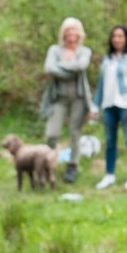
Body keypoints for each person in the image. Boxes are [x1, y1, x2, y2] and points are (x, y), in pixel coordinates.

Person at [41, 17, 97, 185]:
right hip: (59, 98)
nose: (71, 33)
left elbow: (81, 66)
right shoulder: (54, 50)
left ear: (80, 33)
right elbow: (49, 68)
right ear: (63, 33)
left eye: (75, 30)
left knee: (75, 132)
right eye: (68, 30)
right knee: (52, 133)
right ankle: (47, 163)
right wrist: (69, 70)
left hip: (78, 98)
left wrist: (60, 68)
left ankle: (72, 165)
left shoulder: (84, 51)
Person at [90, 25, 127, 190]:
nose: (117, 39)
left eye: (120, 36)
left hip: (126, 104)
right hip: (109, 105)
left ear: (126, 38)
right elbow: (101, 85)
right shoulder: (107, 59)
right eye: (114, 36)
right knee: (109, 141)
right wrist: (95, 106)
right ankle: (109, 175)